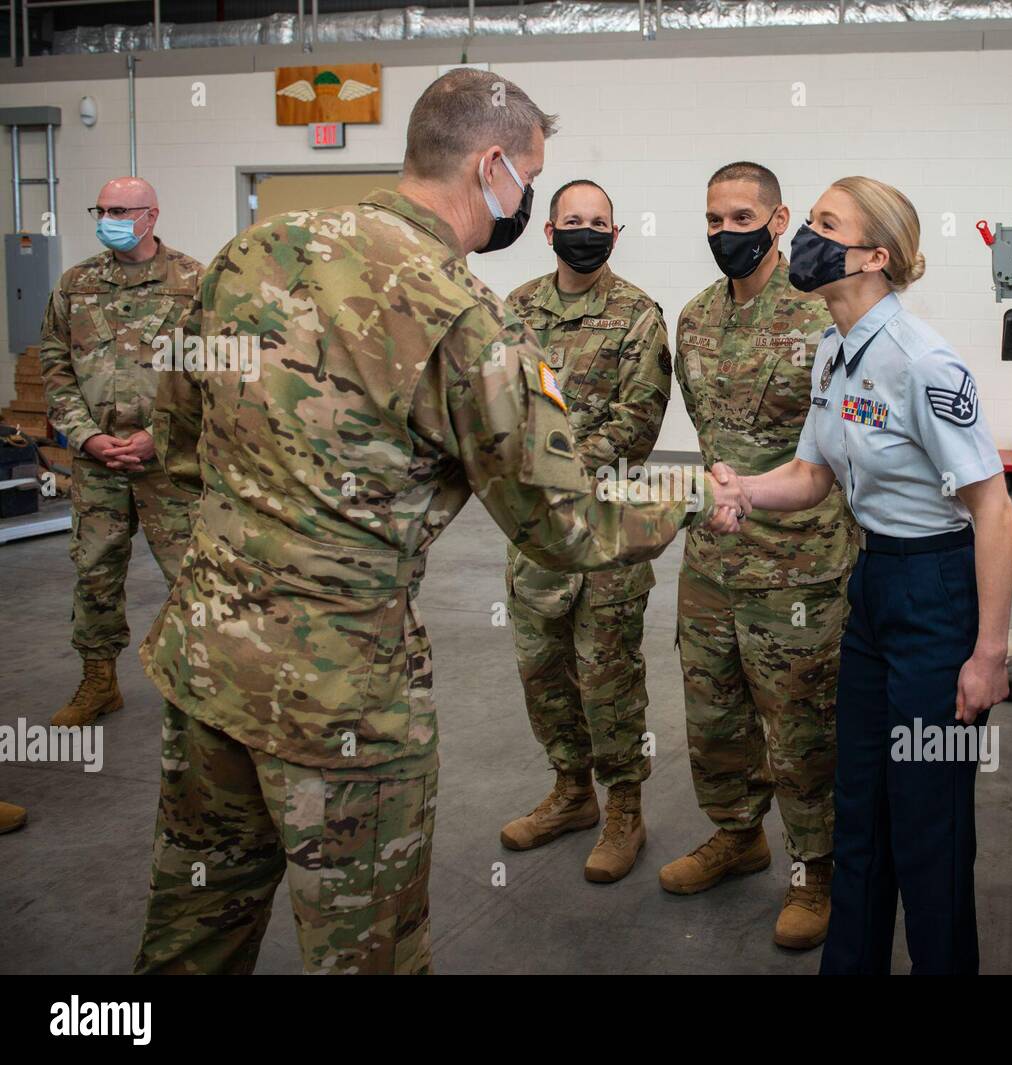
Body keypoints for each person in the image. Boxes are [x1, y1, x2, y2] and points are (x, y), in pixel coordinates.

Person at [129, 69, 746, 976]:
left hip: (205, 665)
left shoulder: (252, 249)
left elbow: (175, 442)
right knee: (365, 954)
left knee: (190, 934)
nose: (530, 201)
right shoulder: (459, 313)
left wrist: (213, 577)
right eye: (530, 178)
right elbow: (563, 523)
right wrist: (695, 494)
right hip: (341, 699)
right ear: (493, 167)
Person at [717, 176, 1012, 974]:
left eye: (822, 224)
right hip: (874, 586)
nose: (803, 238)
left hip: (936, 596)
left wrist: (990, 652)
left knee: (928, 823)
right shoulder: (833, 351)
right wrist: (746, 490)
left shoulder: (925, 364)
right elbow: (813, 475)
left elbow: (993, 510)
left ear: (875, 256)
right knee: (862, 813)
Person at [662, 162, 854, 951]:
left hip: (799, 569)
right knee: (712, 716)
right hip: (713, 558)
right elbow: (708, 432)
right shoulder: (695, 318)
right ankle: (738, 833)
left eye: (742, 217)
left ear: (779, 223)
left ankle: (818, 868)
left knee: (802, 726)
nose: (724, 233)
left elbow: (838, 451)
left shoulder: (823, 320)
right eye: (713, 219)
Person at [500, 179, 671, 883]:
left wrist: (551, 460)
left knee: (608, 676)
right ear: (548, 231)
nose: (586, 230)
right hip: (536, 534)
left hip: (606, 530)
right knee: (543, 672)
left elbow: (639, 421)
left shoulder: (637, 314)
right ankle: (571, 792)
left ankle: (623, 806)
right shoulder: (515, 311)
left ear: (616, 232)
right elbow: (496, 401)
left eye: (598, 222)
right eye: (573, 220)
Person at [38, 177, 201, 728]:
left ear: (150, 216)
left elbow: (211, 372)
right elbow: (55, 366)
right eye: (101, 208)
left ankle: (197, 687)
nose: (107, 217)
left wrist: (159, 432)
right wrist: (85, 436)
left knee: (190, 575)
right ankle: (98, 682)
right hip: (97, 462)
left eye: (119, 209)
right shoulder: (75, 284)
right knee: (96, 572)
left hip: (169, 464)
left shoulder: (193, 282)